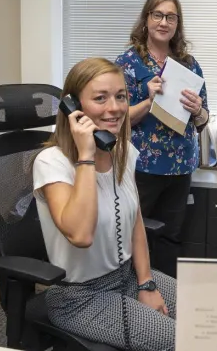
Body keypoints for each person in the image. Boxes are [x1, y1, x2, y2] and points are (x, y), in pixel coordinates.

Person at [33, 58, 176, 350]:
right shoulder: (52, 163)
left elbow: (134, 218)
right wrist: (86, 156)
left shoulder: (123, 151)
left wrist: (146, 283)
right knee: (182, 340)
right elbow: (81, 235)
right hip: (79, 297)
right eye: (100, 98)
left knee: (208, 315)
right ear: (73, 107)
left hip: (128, 277)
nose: (115, 107)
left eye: (120, 96)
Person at [116, 0, 209, 278]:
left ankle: (166, 295)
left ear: (177, 24)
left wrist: (197, 110)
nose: (164, 22)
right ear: (146, 19)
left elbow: (205, 120)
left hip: (180, 167)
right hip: (142, 167)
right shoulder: (127, 64)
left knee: (171, 236)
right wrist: (148, 100)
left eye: (171, 16)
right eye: (157, 15)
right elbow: (117, 119)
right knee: (135, 235)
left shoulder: (189, 64)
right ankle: (136, 292)